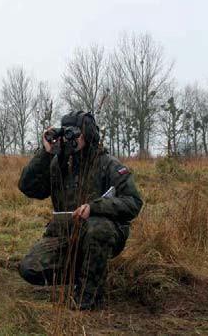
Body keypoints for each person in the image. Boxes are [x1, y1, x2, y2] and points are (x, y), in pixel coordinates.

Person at [17, 110, 143, 310]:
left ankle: (89, 296)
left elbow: (134, 202)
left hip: (100, 232)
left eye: (76, 134)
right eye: (67, 134)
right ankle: (92, 271)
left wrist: (94, 207)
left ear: (89, 135)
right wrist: (46, 153)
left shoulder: (107, 164)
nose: (70, 140)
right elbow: (28, 187)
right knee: (29, 268)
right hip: (66, 234)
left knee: (97, 228)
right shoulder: (58, 163)